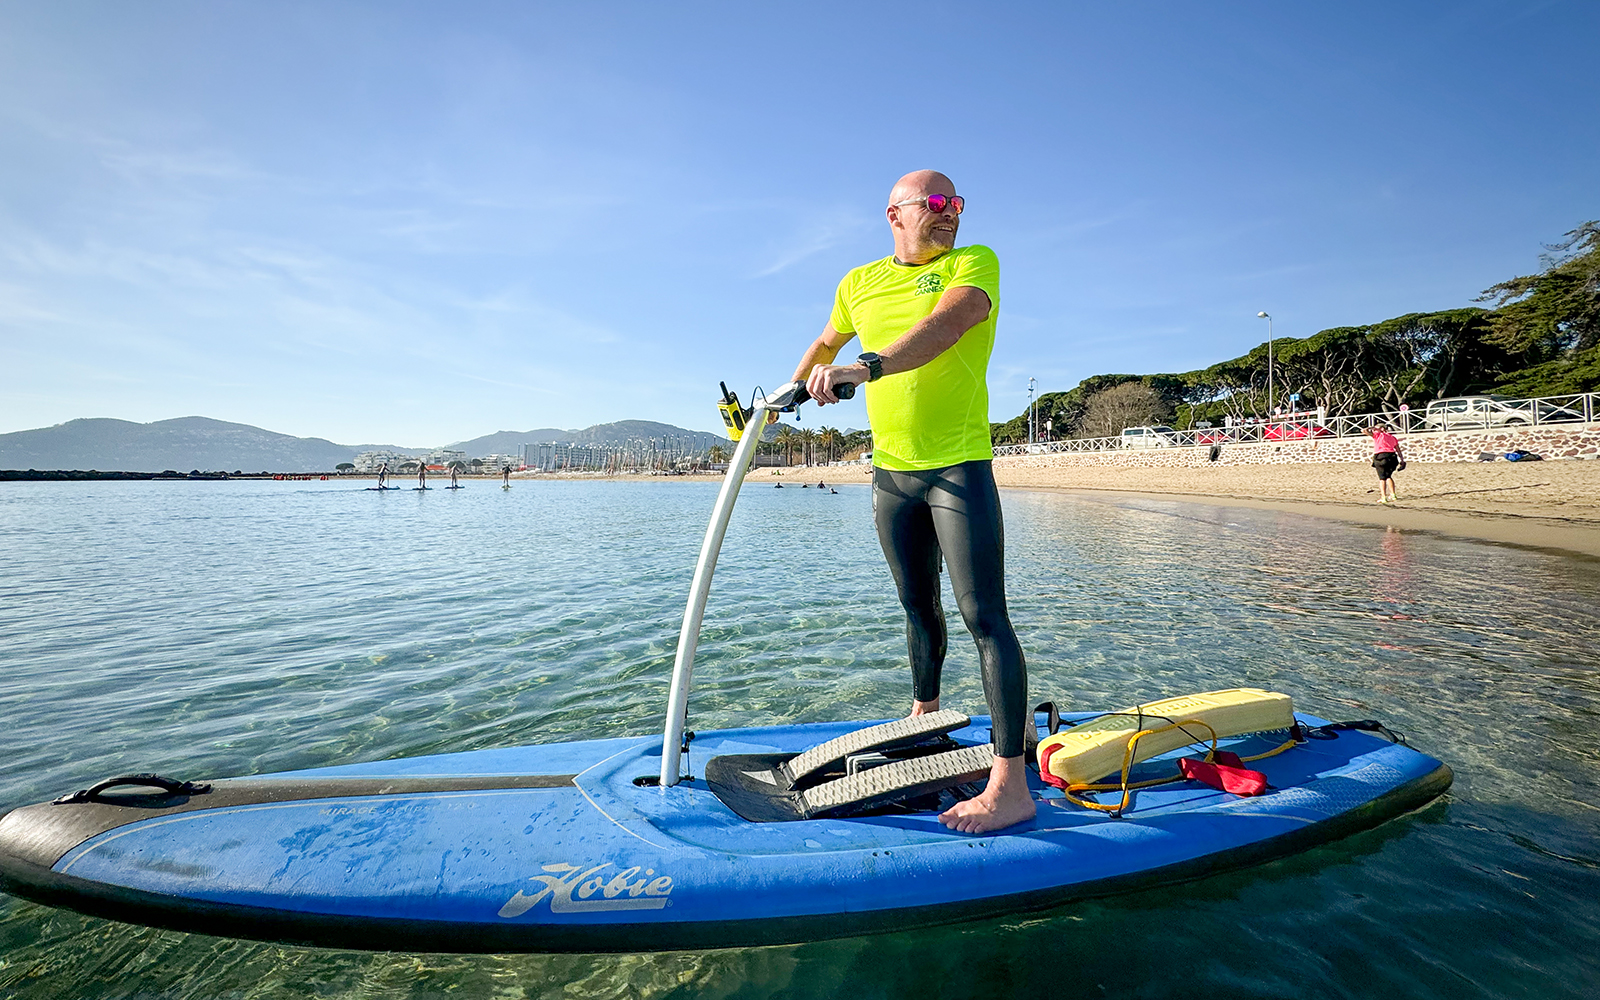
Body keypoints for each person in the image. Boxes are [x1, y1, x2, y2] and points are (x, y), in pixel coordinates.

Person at [795, 169, 1033, 834]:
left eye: (956, 203)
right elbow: (824, 343)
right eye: (935, 204)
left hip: (957, 468)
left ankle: (1010, 786)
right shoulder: (858, 281)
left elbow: (947, 326)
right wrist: (781, 398)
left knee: (985, 617)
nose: (951, 213)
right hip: (893, 473)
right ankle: (925, 714)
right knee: (916, 605)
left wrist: (864, 367)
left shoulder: (971, 264)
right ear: (895, 215)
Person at [1369, 423, 1405, 502]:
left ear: (1381, 429)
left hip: (1381, 456)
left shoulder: (1378, 435)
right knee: (1388, 476)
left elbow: (1364, 430)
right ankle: (1393, 495)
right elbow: (1398, 450)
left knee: (1382, 478)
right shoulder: (1392, 437)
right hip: (1392, 457)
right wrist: (1402, 460)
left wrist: (1372, 428)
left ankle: (1383, 497)